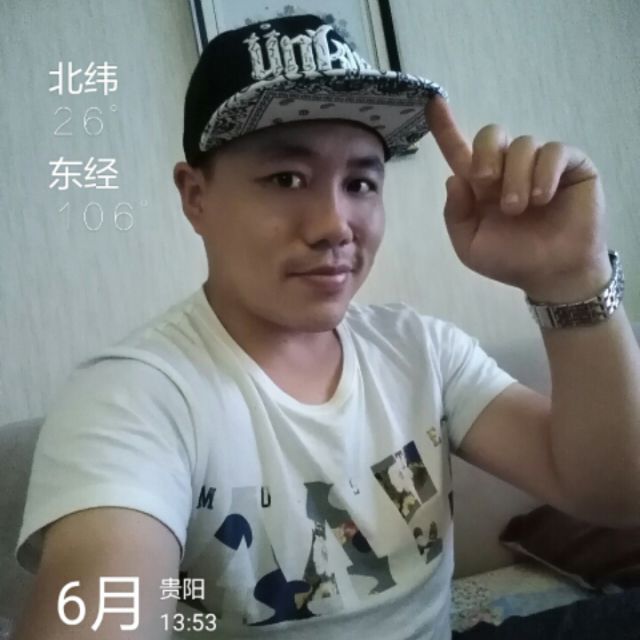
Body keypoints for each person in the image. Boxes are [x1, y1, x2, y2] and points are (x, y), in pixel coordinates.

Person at [13, 12, 640, 640]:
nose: (335, 225)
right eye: (286, 178)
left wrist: (571, 280)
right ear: (195, 195)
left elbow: (613, 494)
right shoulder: (134, 399)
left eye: (360, 182)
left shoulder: (420, 349)